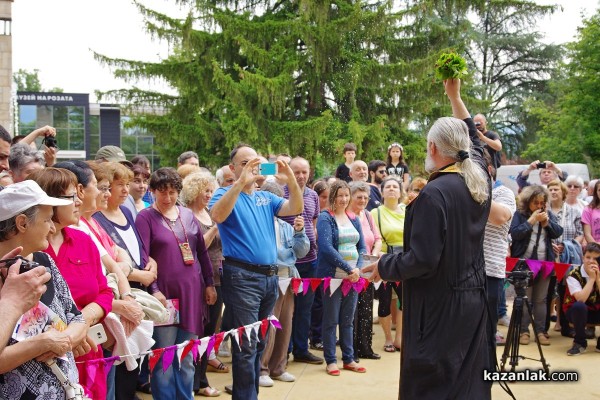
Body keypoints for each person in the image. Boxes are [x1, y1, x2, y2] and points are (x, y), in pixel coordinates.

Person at [363, 78, 492, 399]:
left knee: (434, 382)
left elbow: (422, 260)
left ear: (433, 148)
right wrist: (455, 96)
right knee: (467, 381)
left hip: (439, 307)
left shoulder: (433, 195)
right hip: (474, 301)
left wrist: (385, 264)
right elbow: (474, 145)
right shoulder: (479, 182)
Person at [208, 144, 303, 400]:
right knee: (246, 344)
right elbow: (216, 215)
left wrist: (290, 179)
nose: (252, 168)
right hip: (242, 277)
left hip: (270, 277)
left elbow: (295, 207)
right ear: (233, 168)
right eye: (244, 163)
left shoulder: (266, 197)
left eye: (256, 163)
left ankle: (251, 395)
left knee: (259, 341)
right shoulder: (223, 193)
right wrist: (240, 182)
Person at [28, 169, 116, 399]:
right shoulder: (29, 250)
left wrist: (82, 322)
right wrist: (67, 334)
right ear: (50, 201)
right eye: (71, 196)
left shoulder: (83, 241)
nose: (79, 201)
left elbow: (105, 291)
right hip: (45, 362)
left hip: (87, 352)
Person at [0, 181, 88, 399]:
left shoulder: (43, 261)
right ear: (22, 223)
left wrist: (64, 339)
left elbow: (76, 317)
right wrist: (42, 344)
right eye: (47, 219)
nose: (52, 228)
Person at [136, 167, 216, 399]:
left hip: (191, 292)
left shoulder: (187, 215)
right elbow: (143, 257)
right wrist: (154, 290)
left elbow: (201, 252)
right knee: (164, 357)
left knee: (187, 355)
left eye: (173, 192)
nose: (168, 197)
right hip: (165, 295)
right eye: (162, 192)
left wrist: (209, 283)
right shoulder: (145, 218)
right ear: (152, 192)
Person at [180, 171, 226, 397]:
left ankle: (200, 378)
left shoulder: (209, 212)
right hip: (199, 279)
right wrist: (216, 227)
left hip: (218, 277)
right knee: (198, 331)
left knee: (209, 332)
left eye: (211, 190)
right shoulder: (188, 215)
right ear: (193, 191)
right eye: (205, 190)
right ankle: (197, 381)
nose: (209, 194)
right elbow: (197, 247)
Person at [259, 181, 309, 387]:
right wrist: (286, 255)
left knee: (285, 325)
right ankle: (261, 369)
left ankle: (278, 367)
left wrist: (299, 231)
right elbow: (273, 254)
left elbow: (301, 251)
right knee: (269, 325)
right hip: (270, 279)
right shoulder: (260, 226)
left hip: (289, 279)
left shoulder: (286, 226)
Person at [316, 180, 366, 376]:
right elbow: (326, 248)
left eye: (346, 195)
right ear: (333, 197)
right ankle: (331, 360)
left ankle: (349, 358)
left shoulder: (353, 218)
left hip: (353, 278)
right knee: (331, 319)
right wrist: (348, 268)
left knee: (348, 320)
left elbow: (362, 246)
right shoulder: (325, 218)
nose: (344, 199)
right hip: (333, 277)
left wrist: (358, 269)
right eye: (340, 196)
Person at [281, 157, 323, 366]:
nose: (300, 176)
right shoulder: (281, 193)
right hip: (289, 262)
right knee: (288, 309)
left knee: (305, 308)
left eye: (304, 172)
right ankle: (284, 352)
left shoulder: (313, 195)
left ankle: (301, 349)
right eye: (296, 171)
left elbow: (313, 222)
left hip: (310, 259)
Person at [509, 185, 563, 346]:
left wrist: (547, 223)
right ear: (528, 202)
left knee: (540, 300)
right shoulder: (520, 214)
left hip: (545, 263)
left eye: (542, 203)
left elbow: (558, 232)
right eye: (535, 203)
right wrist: (532, 220)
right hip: (525, 264)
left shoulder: (548, 215)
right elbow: (515, 233)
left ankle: (540, 331)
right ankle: (524, 331)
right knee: (525, 298)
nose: (539, 207)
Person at [481, 151, 516, 352]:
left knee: (486, 332)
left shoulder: (503, 193)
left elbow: (499, 217)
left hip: (490, 271)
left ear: (489, 170)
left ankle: (484, 378)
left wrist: (475, 189)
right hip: (462, 271)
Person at [370, 176, 405, 353]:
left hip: (405, 261)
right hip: (384, 260)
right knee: (384, 301)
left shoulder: (408, 210)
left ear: (400, 191)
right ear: (382, 192)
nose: (391, 189)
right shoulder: (375, 213)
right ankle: (388, 339)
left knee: (405, 300)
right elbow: (372, 237)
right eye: (388, 187)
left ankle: (399, 338)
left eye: (395, 186)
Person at [348, 181, 382, 360]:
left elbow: (377, 238)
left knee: (367, 308)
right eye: (358, 197)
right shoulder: (346, 216)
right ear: (350, 197)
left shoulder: (368, 215)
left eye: (365, 197)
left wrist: (374, 254)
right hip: (351, 268)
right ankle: (351, 350)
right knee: (352, 310)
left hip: (368, 266)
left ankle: (365, 347)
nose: (362, 200)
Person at [563, 242, 600, 355]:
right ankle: (580, 342)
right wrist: (592, 279)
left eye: (595, 258)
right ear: (583, 257)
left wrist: (598, 280)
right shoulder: (573, 274)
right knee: (579, 306)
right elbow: (581, 299)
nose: (591, 261)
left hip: (595, 311)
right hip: (576, 313)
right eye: (588, 257)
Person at [582, 180, 600, 245]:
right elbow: (587, 234)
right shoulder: (588, 209)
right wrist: (597, 246)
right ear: (596, 192)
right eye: (599, 190)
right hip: (595, 249)